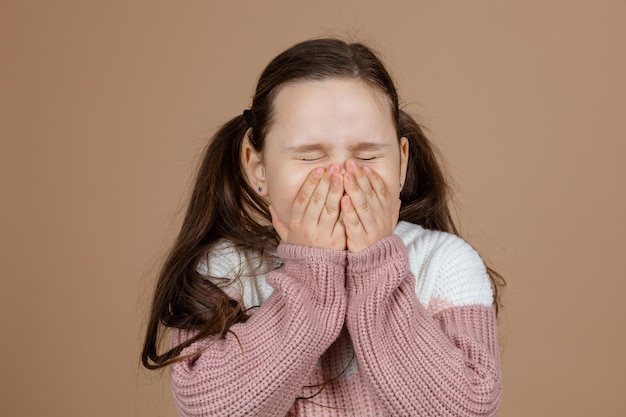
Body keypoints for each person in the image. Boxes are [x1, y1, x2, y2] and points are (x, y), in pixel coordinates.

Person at [142, 38, 505, 417]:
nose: (341, 177)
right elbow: (209, 410)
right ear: (257, 166)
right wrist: (312, 276)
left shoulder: (446, 264)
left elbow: (468, 409)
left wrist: (376, 267)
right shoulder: (226, 271)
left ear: (400, 161)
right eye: (309, 156)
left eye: (367, 155)